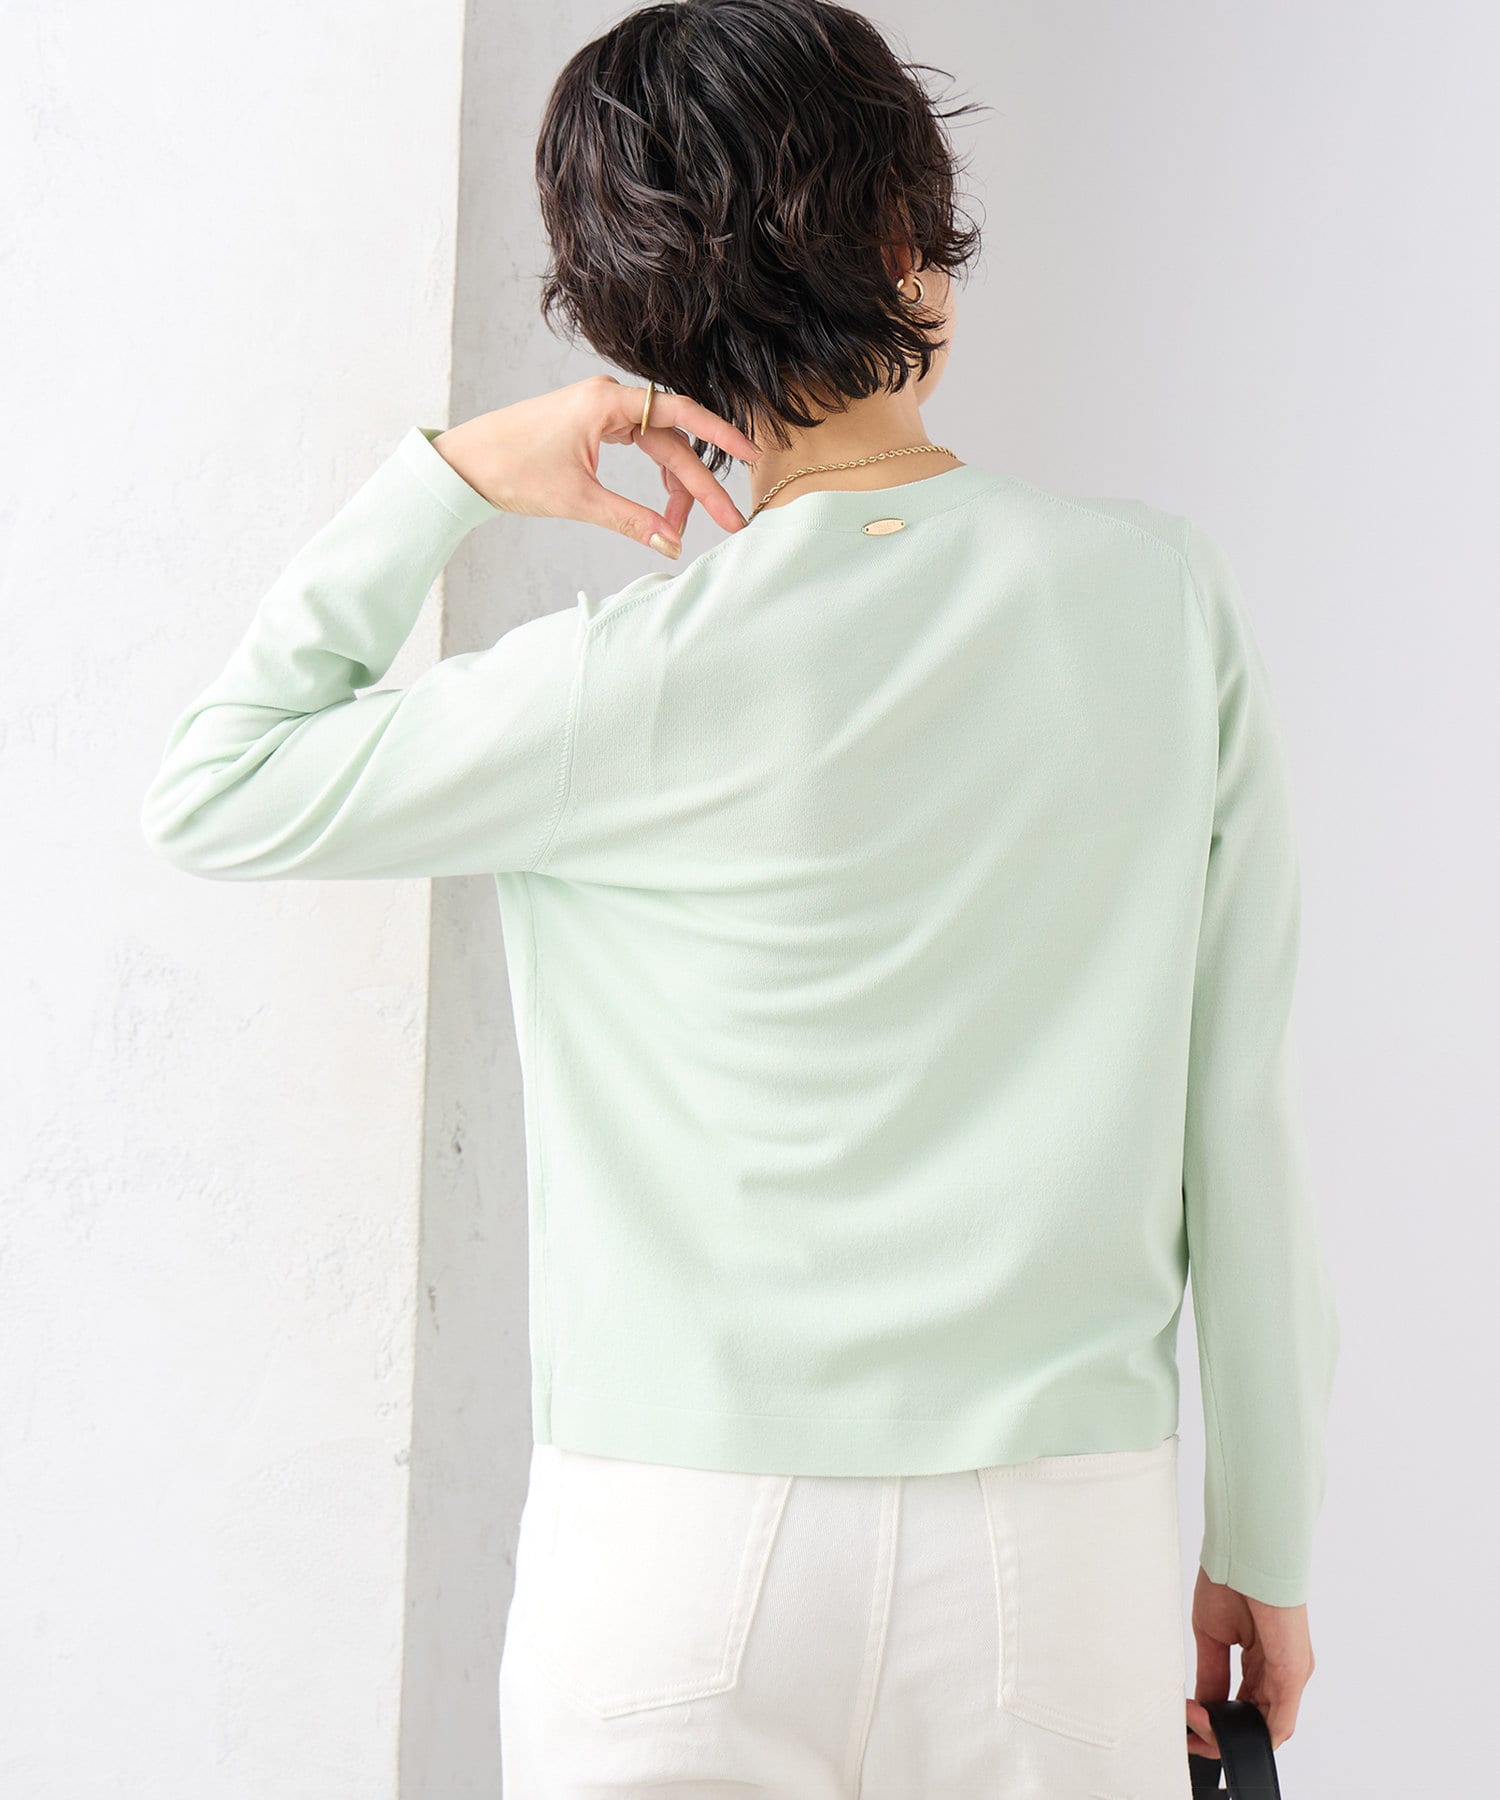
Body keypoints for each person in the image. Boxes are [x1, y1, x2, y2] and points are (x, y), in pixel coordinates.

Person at [139, 0, 1340, 1793]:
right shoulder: (1160, 603)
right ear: (909, 230)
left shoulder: (608, 688)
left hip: (668, 1548)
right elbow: (1236, 1117)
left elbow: (218, 783)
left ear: (640, 329)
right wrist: (1268, 1534)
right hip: (1055, 1546)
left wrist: (455, 477)